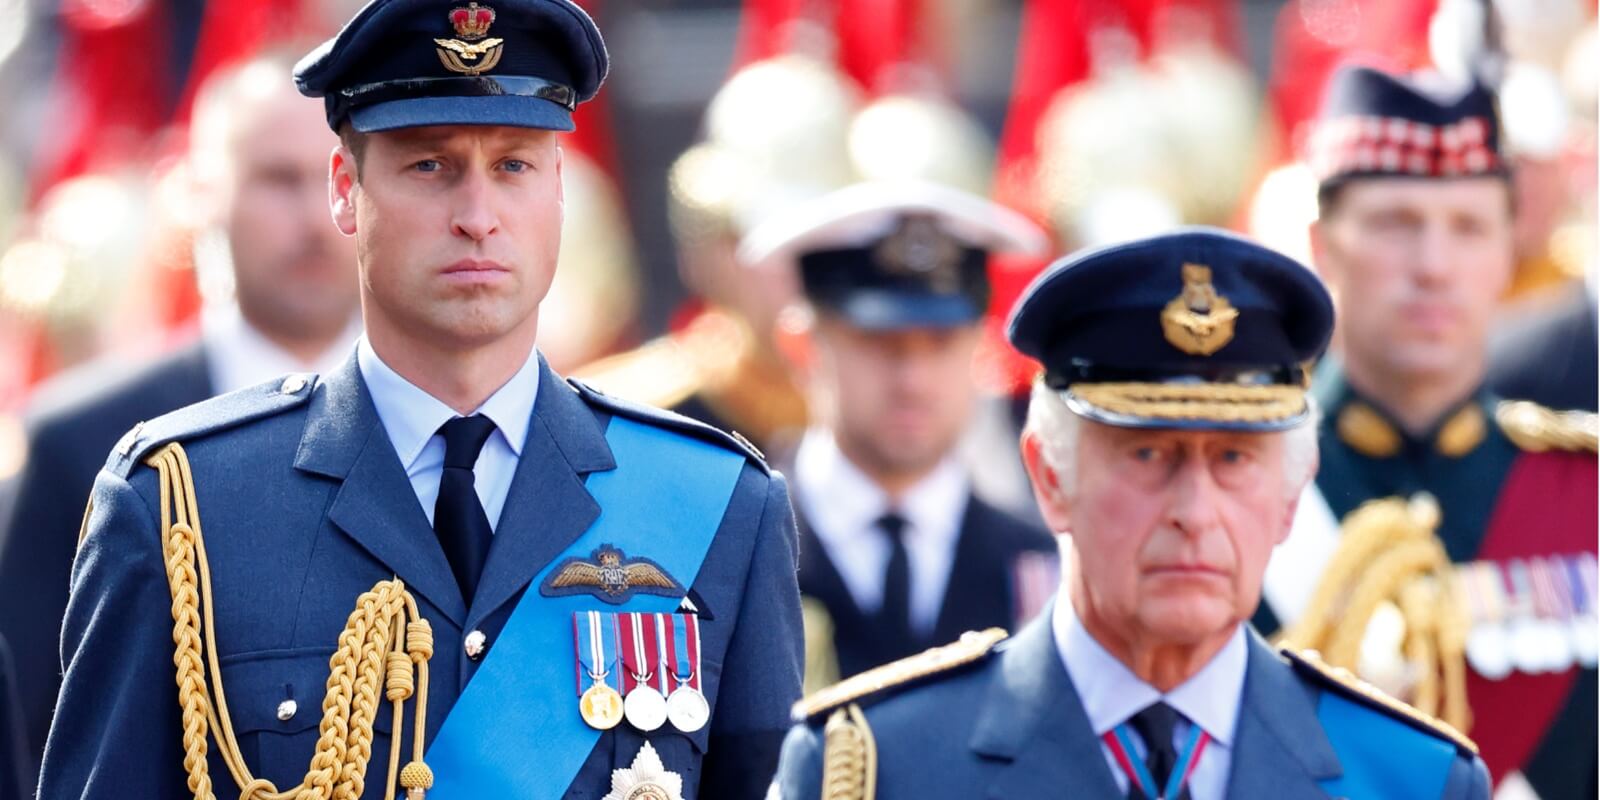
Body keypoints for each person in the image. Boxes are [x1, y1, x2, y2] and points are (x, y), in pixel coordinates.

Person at [38, 2, 801, 798]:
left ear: (559, 189)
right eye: (429, 166)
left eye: (513, 165)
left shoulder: (714, 506)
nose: (477, 218)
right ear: (345, 189)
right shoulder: (183, 510)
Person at [774, 227, 1491, 799]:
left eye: (1234, 460)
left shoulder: (1413, 779)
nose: (1194, 511)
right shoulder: (876, 769)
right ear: (1050, 476)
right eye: (1149, 456)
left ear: (1290, 497)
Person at [0, 48, 361, 788]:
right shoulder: (77, 443)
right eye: (276, 180)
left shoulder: (460, 429)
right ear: (200, 194)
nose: (315, 217)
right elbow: (35, 736)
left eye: (339, 177)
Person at [1258, 64, 1597, 798]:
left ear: (1512, 249)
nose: (1434, 267)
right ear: (1323, 244)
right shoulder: (1238, 481)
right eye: (1395, 224)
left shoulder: (1585, 492)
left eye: (1469, 227)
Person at [737, 181, 1057, 689]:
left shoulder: (1043, 570)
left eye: (940, 343)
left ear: (980, 347)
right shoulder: (736, 552)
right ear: (801, 346)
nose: (914, 380)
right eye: (879, 342)